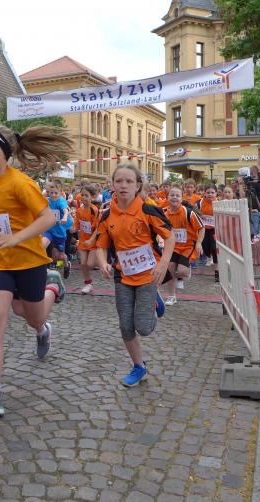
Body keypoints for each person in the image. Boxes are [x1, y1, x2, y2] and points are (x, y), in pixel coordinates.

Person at [0, 125, 70, 417]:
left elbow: (48, 218)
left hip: (30, 261)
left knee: (31, 316)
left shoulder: (22, 183)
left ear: (5, 152)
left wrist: (16, 239)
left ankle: (51, 294)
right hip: (0, 262)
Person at [95, 163, 174, 386]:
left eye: (129, 181)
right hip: (123, 275)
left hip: (149, 274)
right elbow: (101, 245)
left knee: (144, 328)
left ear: (138, 185)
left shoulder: (148, 210)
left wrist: (163, 265)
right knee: (126, 326)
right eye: (118, 181)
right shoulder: (106, 214)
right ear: (112, 185)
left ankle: (155, 301)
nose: (123, 185)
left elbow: (169, 238)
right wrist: (103, 263)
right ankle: (139, 367)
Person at [163, 183, 205, 305]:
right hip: (173, 246)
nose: (174, 197)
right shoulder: (164, 214)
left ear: (182, 198)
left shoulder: (189, 213)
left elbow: (202, 228)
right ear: (167, 198)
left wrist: (199, 243)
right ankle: (171, 296)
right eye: (172, 195)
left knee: (181, 271)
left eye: (177, 195)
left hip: (187, 247)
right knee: (170, 268)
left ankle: (185, 270)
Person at [74, 184, 100, 294]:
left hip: (93, 242)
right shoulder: (79, 210)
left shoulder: (94, 210)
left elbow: (97, 228)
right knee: (83, 264)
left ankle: (100, 259)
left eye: (86, 195)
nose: (83, 197)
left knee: (89, 264)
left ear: (92, 197)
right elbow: (77, 224)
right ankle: (88, 284)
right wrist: (72, 229)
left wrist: (91, 240)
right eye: (82, 195)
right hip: (83, 241)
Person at [196, 184, 218, 267]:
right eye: (208, 193)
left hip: (214, 229)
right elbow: (195, 212)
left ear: (216, 193)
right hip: (203, 229)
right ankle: (209, 256)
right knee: (205, 246)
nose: (210, 194)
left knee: (214, 246)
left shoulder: (219, 203)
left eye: (212, 193)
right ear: (204, 193)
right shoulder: (199, 203)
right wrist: (200, 215)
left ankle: (216, 263)